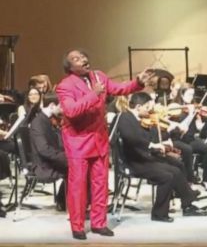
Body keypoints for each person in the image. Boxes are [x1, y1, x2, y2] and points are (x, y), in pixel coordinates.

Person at [56, 48, 153, 240]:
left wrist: (138, 82)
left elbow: (119, 89)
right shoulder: (64, 85)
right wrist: (93, 94)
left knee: (101, 183)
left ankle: (99, 223)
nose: (83, 59)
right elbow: (71, 111)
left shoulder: (98, 76)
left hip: (99, 139)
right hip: (78, 141)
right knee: (78, 186)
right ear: (69, 67)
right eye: (76, 58)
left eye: (83, 56)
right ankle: (77, 226)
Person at [116, 92, 206, 222]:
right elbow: (130, 138)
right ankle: (160, 213)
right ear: (138, 106)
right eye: (147, 107)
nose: (150, 111)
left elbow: (150, 137)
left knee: (177, 165)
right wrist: (152, 145)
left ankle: (187, 203)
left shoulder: (139, 119)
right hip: (135, 162)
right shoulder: (125, 118)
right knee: (168, 175)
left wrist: (164, 136)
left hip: (145, 157)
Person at [29, 92, 67, 211]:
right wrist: (66, 157)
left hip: (51, 160)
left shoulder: (48, 120)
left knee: (81, 162)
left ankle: (65, 200)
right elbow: (43, 149)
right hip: (43, 165)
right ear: (51, 105)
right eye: (60, 106)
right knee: (78, 165)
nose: (63, 109)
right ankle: (66, 201)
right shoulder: (38, 122)